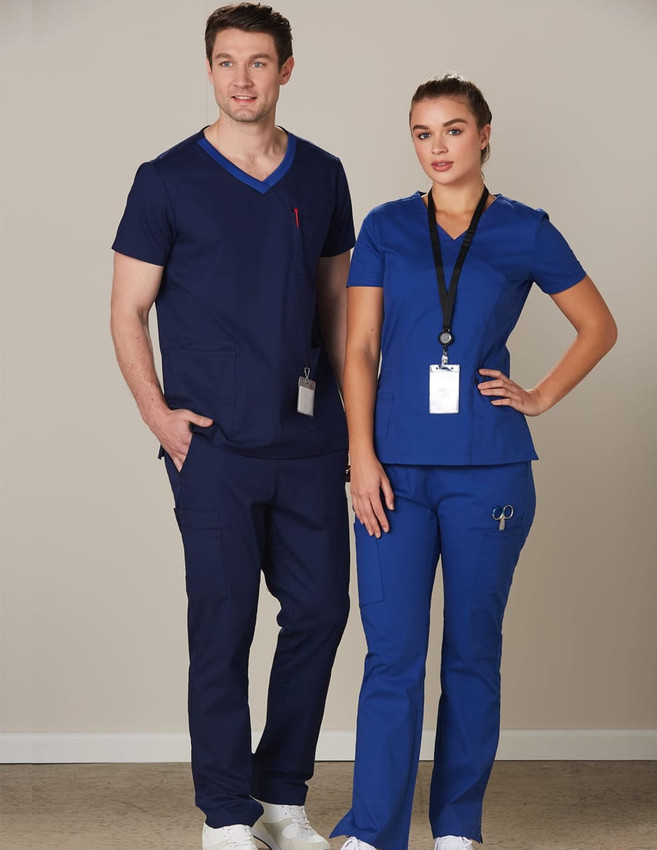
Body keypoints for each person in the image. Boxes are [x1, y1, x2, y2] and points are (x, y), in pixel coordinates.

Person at [331, 74, 617, 850]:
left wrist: (541, 395)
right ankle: (374, 831)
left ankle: (458, 826)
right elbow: (357, 350)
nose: (437, 148)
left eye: (453, 131)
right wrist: (360, 455)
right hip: (390, 469)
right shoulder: (387, 228)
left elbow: (597, 325)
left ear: (484, 134)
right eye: (422, 133)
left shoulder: (526, 230)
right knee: (392, 654)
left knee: (471, 653)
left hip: (488, 470)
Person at [110, 5, 354, 850]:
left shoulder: (322, 174)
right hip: (211, 445)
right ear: (209, 70)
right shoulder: (166, 178)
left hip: (309, 439)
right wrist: (158, 414)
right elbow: (127, 310)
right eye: (226, 62)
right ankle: (225, 814)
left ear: (287, 70)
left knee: (321, 611)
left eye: (258, 62)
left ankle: (281, 799)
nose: (241, 78)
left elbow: (335, 306)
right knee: (222, 624)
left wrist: (353, 429)